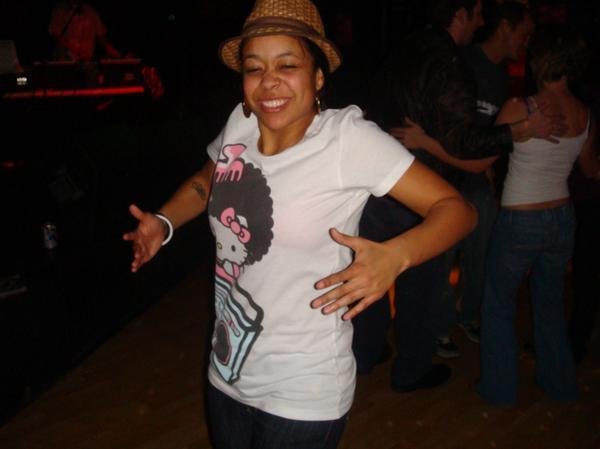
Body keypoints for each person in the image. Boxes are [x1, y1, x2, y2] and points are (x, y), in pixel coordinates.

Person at [123, 0, 476, 447]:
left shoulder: (347, 140)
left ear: (318, 76)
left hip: (304, 390)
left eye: (287, 65)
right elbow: (207, 180)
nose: (268, 81)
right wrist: (164, 222)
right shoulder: (241, 123)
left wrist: (396, 256)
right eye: (254, 68)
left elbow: (458, 209)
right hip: (227, 371)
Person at [352, 0, 562, 392]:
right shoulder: (449, 62)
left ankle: (365, 354)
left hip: (375, 181)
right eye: (477, 13)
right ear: (460, 15)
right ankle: (411, 371)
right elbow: (462, 142)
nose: (481, 22)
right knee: (420, 287)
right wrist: (519, 131)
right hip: (418, 189)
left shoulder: (404, 46)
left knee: (372, 266)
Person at [396, 1, 535, 359]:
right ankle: (439, 323)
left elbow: (482, 135)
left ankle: (467, 313)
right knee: (443, 245)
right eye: (524, 33)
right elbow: (451, 133)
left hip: (470, 168)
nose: (527, 42)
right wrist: (429, 144)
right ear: (506, 27)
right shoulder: (461, 61)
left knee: (482, 237)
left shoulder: (501, 74)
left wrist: (486, 164)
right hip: (444, 167)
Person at [476, 24, 600, 406]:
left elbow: (482, 156)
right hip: (562, 218)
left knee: (498, 303)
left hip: (521, 218)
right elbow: (591, 170)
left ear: (540, 60)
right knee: (549, 305)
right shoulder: (585, 114)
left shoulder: (521, 108)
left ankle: (500, 390)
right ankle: (560, 384)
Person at [48, 0, 122, 62]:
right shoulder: (60, 10)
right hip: (65, 62)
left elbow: (102, 39)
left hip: (87, 63)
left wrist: (118, 56)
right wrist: (74, 50)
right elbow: (56, 34)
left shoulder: (91, 12)